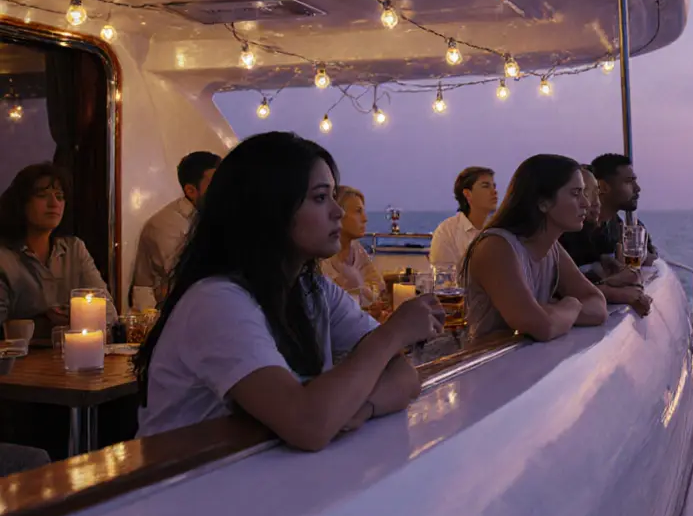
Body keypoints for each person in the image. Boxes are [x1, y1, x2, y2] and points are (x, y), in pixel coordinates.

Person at [134, 132, 443, 450]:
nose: (337, 212)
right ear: (270, 209)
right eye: (320, 198)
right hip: (185, 476)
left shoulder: (312, 289)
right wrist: (394, 333)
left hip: (256, 474)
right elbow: (308, 424)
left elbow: (405, 377)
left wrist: (358, 409)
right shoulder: (216, 301)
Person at [460, 154, 607, 343]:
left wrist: (553, 313)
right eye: (575, 193)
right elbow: (541, 326)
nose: (585, 203)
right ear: (543, 202)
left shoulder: (551, 248)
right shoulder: (497, 247)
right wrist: (570, 304)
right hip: (486, 359)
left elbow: (598, 305)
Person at [0, 163, 117, 338]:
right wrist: (44, 323)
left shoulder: (74, 249)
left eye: (60, 196)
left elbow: (109, 313)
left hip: (76, 352)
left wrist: (73, 316)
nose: (54, 203)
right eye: (42, 196)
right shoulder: (5, 258)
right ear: (21, 203)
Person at [132, 151, 222, 309]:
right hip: (159, 314)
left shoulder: (207, 215)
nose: (222, 190)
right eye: (215, 184)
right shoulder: (165, 225)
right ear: (191, 191)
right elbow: (188, 277)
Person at [565, 165, 651, 316]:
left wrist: (612, 276)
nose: (592, 202)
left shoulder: (616, 226)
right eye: (578, 193)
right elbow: (561, 290)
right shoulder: (555, 243)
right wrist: (616, 291)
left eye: (596, 193)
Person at [320, 186, 383, 308]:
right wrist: (364, 291)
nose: (365, 219)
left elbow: (379, 285)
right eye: (358, 211)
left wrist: (362, 290)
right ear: (337, 213)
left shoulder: (356, 249)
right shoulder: (321, 258)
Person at [430, 166, 498, 269]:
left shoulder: (501, 229)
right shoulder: (447, 232)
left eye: (494, 186)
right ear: (467, 194)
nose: (494, 192)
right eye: (486, 186)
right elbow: (442, 274)